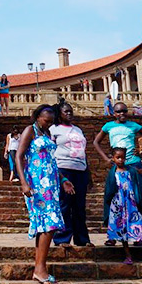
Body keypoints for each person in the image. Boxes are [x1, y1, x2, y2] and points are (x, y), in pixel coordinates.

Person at [15, 105, 65, 284]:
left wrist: (64, 179)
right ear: (37, 117)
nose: (49, 123)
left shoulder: (47, 134)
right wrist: (23, 182)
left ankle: (39, 268)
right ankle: (40, 268)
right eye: (46, 120)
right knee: (49, 223)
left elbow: (51, 161)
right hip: (36, 183)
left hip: (51, 184)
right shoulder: (31, 131)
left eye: (52, 121)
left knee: (46, 224)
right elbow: (19, 156)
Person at [93, 102, 142, 246]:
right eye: (119, 112)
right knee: (113, 198)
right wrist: (107, 159)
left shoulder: (134, 125)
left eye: (124, 111)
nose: (122, 114)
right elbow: (96, 142)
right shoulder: (108, 126)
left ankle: (140, 235)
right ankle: (113, 235)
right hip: (117, 165)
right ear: (114, 113)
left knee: (137, 198)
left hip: (133, 164)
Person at [50, 103, 91, 247]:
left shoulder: (78, 130)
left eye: (70, 111)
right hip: (63, 169)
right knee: (64, 204)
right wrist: (60, 176)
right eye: (65, 111)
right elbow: (50, 153)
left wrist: (88, 174)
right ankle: (62, 238)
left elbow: (83, 152)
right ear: (59, 113)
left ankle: (82, 239)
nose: (69, 113)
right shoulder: (53, 129)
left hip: (80, 169)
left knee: (79, 207)